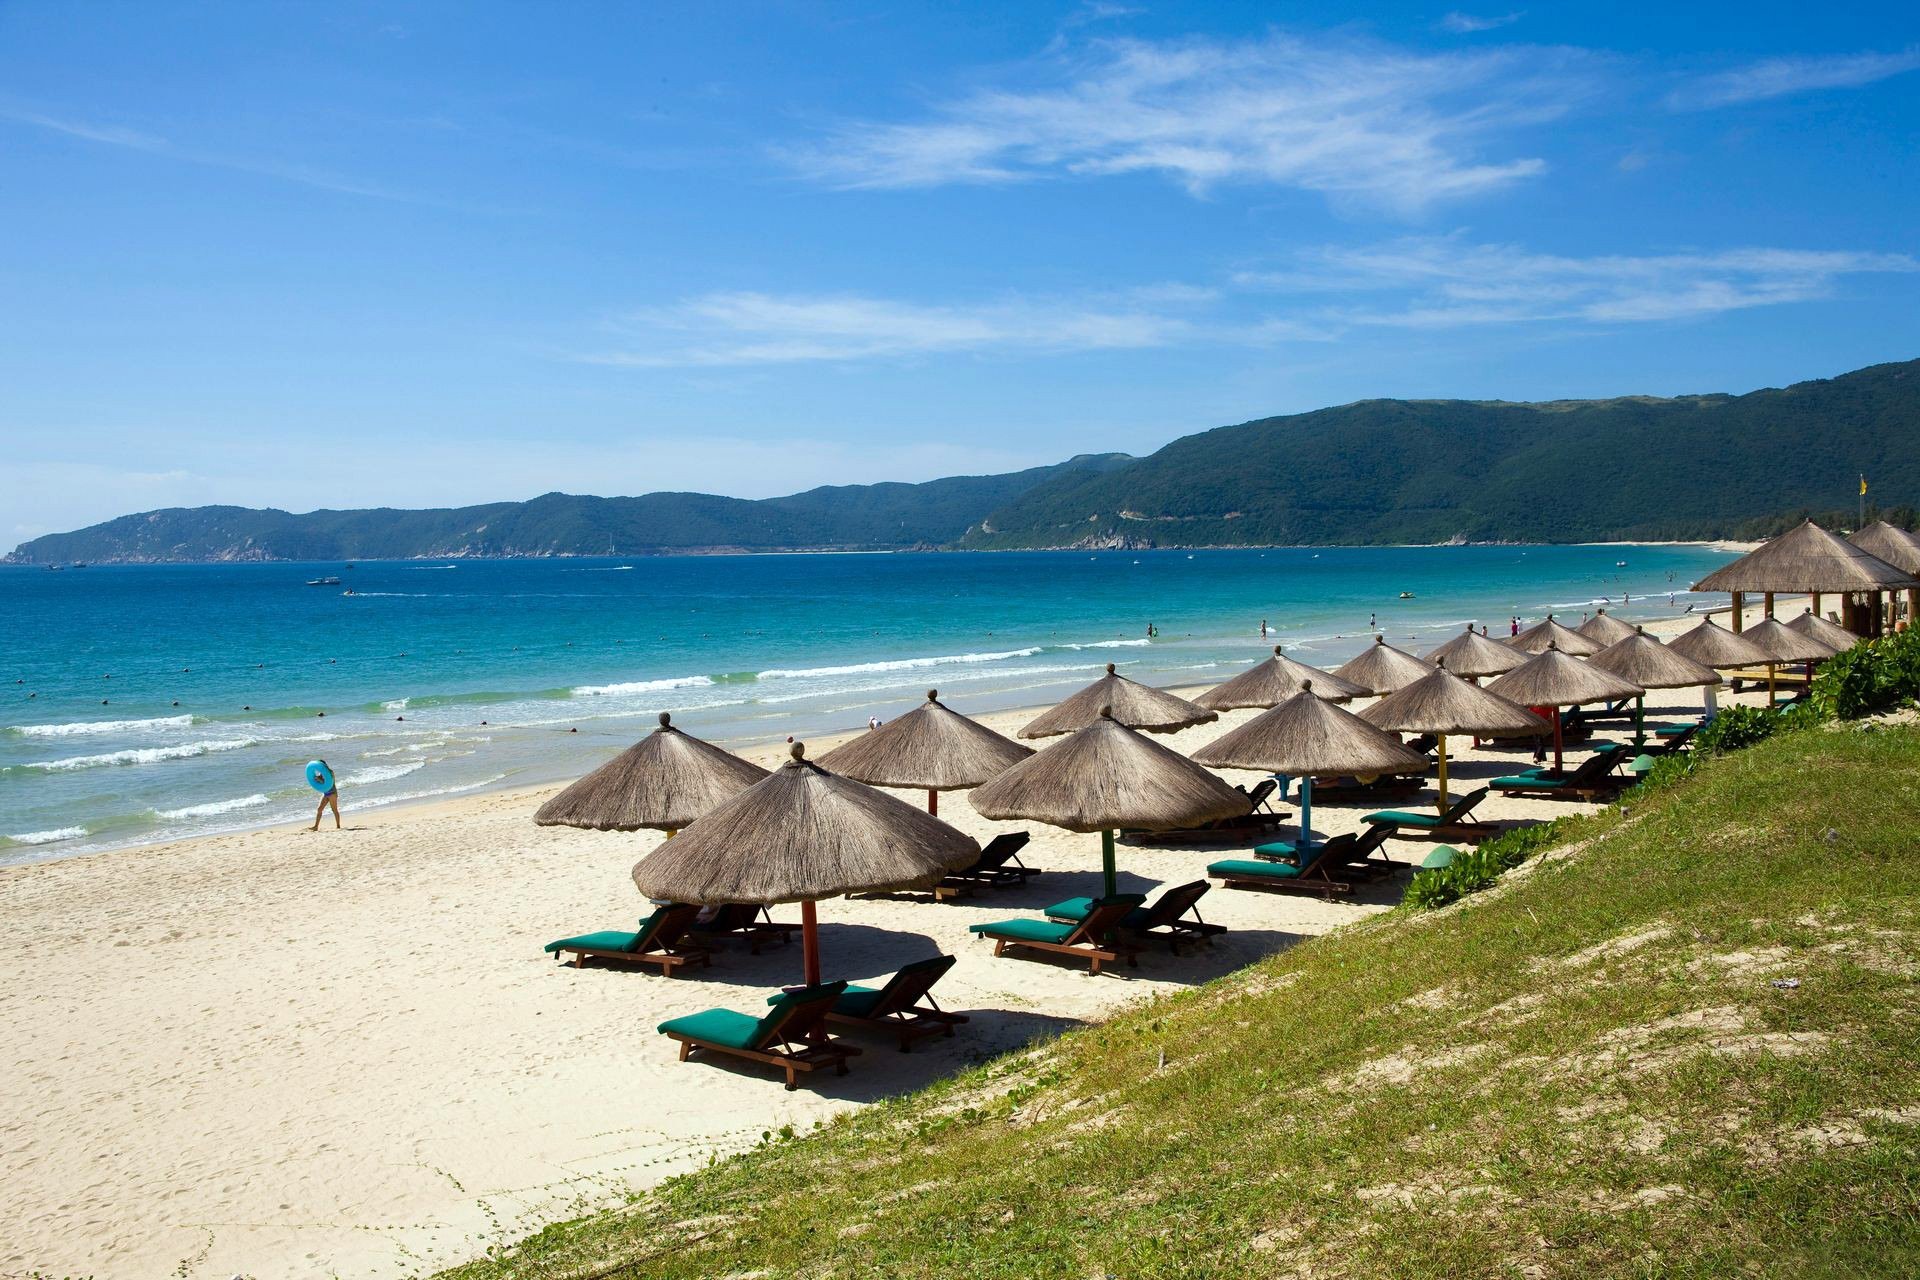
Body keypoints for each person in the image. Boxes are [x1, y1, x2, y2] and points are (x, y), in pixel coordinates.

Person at [310, 762, 341, 832]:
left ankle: (338, 826)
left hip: (332, 793)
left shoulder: (330, 772)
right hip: (325, 793)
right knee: (319, 809)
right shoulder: (321, 774)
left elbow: (328, 782)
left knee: (334, 810)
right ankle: (316, 826)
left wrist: (319, 779)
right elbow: (319, 781)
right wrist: (316, 778)